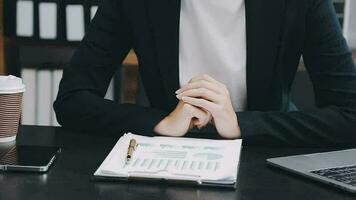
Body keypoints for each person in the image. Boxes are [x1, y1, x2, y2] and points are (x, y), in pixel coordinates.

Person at [54, 0, 356, 146]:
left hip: (264, 153)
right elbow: (72, 100)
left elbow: (350, 114)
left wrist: (242, 125)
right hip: (167, 158)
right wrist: (161, 122)